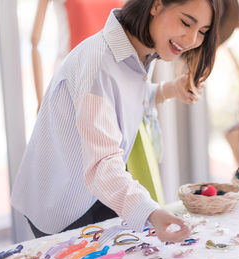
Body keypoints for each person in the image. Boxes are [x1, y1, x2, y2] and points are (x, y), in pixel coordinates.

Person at [11, 0, 221, 242]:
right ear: (156, 5)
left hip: (94, 188)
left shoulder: (139, 50)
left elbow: (128, 98)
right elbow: (102, 165)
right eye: (186, 22)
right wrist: (151, 212)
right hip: (60, 202)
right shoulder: (99, 64)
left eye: (203, 31)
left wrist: (170, 89)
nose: (192, 39)